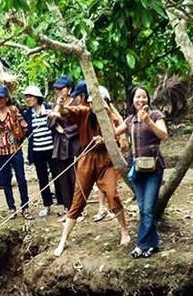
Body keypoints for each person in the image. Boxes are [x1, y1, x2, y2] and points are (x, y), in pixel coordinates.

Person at [52, 81, 131, 257]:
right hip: (87, 159)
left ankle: (124, 231)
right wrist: (60, 103)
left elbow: (121, 141)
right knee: (78, 200)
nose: (97, 106)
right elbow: (65, 112)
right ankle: (63, 240)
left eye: (101, 102)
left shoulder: (112, 116)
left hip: (106, 160)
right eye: (94, 102)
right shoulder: (84, 112)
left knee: (112, 194)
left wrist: (107, 140)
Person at [114, 86, 169, 258]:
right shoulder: (130, 119)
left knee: (147, 209)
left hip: (154, 167)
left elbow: (164, 135)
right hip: (136, 168)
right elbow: (114, 132)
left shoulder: (155, 115)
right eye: (137, 97)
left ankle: (141, 245)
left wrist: (148, 122)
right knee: (144, 208)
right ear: (132, 100)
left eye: (144, 97)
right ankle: (153, 244)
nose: (141, 100)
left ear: (148, 99)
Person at [0, 85, 33, 219]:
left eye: (0, 98)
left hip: (14, 148)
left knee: (21, 178)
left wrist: (19, 141)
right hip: (0, 149)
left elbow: (24, 126)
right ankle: (11, 208)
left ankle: (25, 207)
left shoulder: (13, 110)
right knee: (5, 180)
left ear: (6, 98)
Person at [22, 86, 62, 217]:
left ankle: (63, 205)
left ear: (37, 97)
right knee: (42, 178)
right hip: (38, 151)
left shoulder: (50, 109)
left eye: (30, 96)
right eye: (26, 97)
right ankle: (47, 205)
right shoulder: (27, 114)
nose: (28, 99)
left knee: (57, 176)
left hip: (51, 149)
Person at [90, 86, 127, 222]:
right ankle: (102, 208)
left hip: (113, 155)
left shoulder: (114, 115)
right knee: (100, 182)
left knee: (111, 186)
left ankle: (112, 210)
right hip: (101, 155)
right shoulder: (94, 116)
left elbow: (121, 138)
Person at [48, 75, 81, 219]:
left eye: (61, 88)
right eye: (56, 89)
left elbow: (78, 124)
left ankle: (78, 209)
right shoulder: (55, 104)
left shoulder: (76, 103)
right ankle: (68, 208)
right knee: (63, 176)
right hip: (59, 144)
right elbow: (49, 124)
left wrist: (65, 130)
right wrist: (57, 107)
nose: (58, 91)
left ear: (69, 89)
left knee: (75, 176)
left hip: (73, 143)